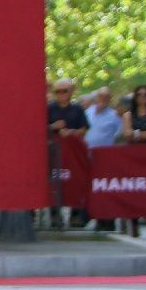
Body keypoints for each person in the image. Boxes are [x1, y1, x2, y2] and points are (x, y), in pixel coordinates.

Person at [47, 79, 89, 228]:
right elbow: (40, 128)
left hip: (73, 155)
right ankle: (54, 215)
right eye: (57, 91)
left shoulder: (77, 109)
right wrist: (53, 126)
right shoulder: (49, 108)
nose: (61, 94)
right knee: (54, 182)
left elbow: (84, 129)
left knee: (75, 181)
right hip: (53, 154)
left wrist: (72, 132)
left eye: (64, 91)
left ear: (71, 92)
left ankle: (75, 215)